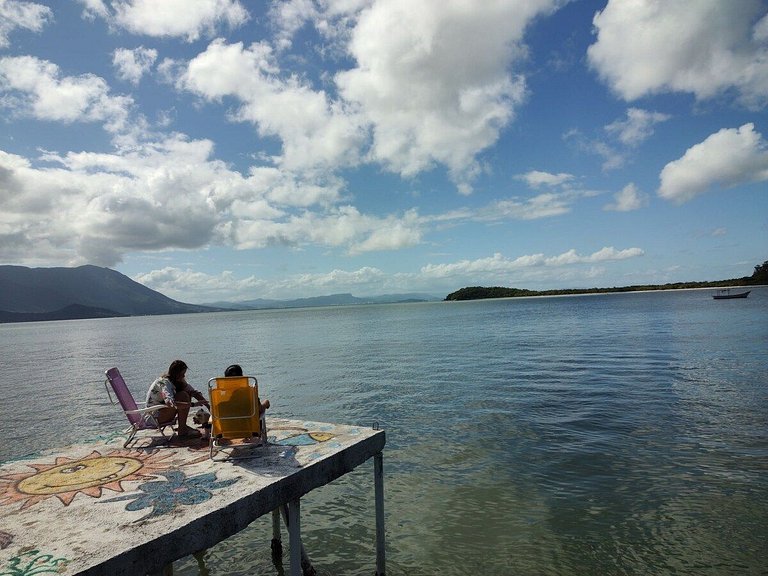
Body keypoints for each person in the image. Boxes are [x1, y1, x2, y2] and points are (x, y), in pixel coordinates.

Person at [147, 359, 210, 439]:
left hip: (163, 412)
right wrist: (193, 404)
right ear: (176, 374)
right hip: (155, 417)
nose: (184, 376)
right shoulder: (164, 383)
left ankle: (182, 426)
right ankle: (182, 430)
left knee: (187, 393)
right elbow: (170, 403)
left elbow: (194, 392)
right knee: (183, 396)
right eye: (182, 374)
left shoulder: (177, 381)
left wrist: (208, 407)